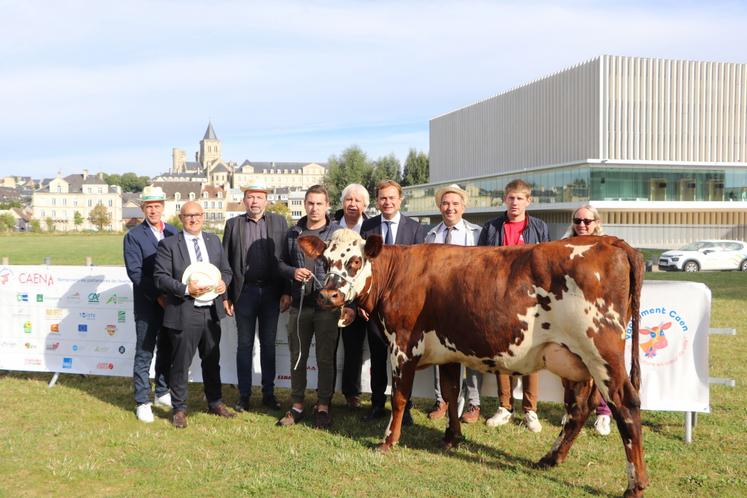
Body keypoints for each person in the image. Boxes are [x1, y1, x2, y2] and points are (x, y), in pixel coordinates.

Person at [154, 201, 235, 428]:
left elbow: (226, 271)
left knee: (212, 359)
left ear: (203, 216)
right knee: (180, 362)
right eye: (188, 216)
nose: (193, 219)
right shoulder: (168, 245)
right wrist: (186, 289)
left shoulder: (213, 241)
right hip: (183, 310)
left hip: (210, 311)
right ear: (181, 218)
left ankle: (215, 402)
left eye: (197, 215)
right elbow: (160, 278)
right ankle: (179, 409)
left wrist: (223, 283)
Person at [478, 179, 549, 433]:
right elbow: (481, 263)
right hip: (499, 299)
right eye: (511, 198)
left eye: (520, 198)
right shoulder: (491, 227)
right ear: (504, 200)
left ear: (528, 201)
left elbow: (546, 266)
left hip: (530, 300)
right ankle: (504, 406)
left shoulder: (539, 228)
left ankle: (530, 410)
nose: (515, 202)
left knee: (531, 352)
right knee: (502, 352)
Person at [360, 179, 426, 425]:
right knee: (378, 359)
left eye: (391, 198)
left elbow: (420, 270)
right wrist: (363, 304)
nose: (387, 202)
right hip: (376, 307)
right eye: (383, 198)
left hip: (405, 309)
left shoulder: (416, 229)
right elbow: (361, 268)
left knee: (403, 361)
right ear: (377, 201)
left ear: (400, 200)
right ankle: (377, 404)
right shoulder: (368, 227)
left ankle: (404, 407)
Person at [276, 185, 340, 428]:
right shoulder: (294, 232)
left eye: (319, 204)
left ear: (327, 206)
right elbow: (280, 263)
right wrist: (293, 272)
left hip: (326, 307)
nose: (314, 208)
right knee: (297, 356)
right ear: (305, 204)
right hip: (299, 304)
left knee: (325, 357)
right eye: (310, 203)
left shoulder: (337, 233)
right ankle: (297, 404)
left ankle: (323, 405)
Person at [222, 181, 288, 412]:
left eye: (259, 197)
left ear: (266, 201)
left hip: (272, 292)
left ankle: (269, 394)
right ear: (244, 200)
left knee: (269, 345)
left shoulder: (279, 222)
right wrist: (226, 296)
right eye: (250, 197)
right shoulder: (233, 225)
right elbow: (226, 263)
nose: (255, 201)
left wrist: (287, 292)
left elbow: (287, 259)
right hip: (244, 293)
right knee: (244, 345)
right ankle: (244, 395)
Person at [424, 184, 483, 424]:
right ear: (439, 206)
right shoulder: (430, 235)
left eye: (455, 204)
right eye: (446, 204)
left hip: (469, 302)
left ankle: (474, 403)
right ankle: (442, 401)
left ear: (463, 206)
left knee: (472, 354)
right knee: (441, 354)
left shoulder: (477, 233)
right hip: (440, 304)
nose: (450, 208)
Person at [123, 185, 177, 423]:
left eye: (157, 206)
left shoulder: (174, 232)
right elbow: (135, 274)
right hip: (148, 303)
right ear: (143, 208)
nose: (153, 210)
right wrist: (158, 296)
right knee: (145, 352)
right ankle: (142, 401)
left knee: (167, 348)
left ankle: (162, 392)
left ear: (163, 207)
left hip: (172, 303)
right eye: (149, 207)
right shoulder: (133, 236)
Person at [562, 204, 612, 436]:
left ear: (596, 222)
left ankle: (603, 413)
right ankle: (571, 409)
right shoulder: (562, 246)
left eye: (587, 221)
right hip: (569, 314)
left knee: (599, 366)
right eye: (578, 220)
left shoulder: (607, 248)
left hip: (597, 317)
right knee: (569, 365)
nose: (582, 225)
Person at [332, 183, 369, 409]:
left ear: (365, 205)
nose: (353, 204)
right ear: (342, 202)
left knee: (354, 348)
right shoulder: (331, 227)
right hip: (331, 296)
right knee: (327, 347)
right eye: (349, 199)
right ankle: (323, 392)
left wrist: (356, 303)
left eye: (357, 201)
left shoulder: (371, 229)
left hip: (356, 300)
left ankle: (351, 392)